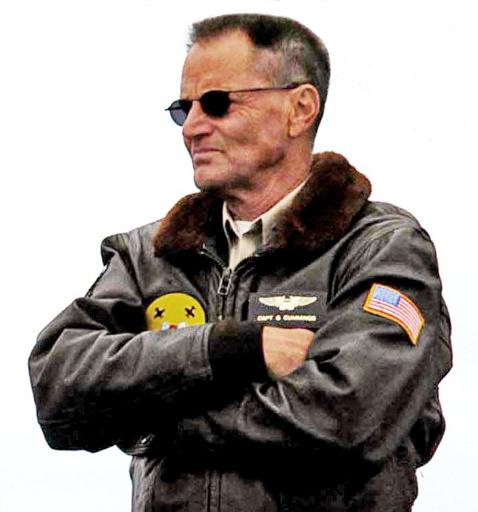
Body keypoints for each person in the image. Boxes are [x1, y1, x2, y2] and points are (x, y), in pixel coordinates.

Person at [28, 13, 452, 511]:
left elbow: (347, 417)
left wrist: (150, 416)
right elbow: (58, 389)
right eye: (182, 109)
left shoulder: (381, 248)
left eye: (217, 103)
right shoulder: (149, 255)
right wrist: (230, 349)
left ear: (299, 109)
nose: (192, 128)